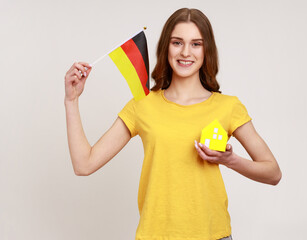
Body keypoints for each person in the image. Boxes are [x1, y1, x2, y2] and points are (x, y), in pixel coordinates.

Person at [64, 8, 281, 240]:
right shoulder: (143, 105)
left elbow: (273, 173)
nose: (186, 52)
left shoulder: (228, 106)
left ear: (207, 49)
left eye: (196, 44)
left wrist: (230, 160)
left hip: (213, 235)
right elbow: (84, 165)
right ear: (166, 47)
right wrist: (71, 100)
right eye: (177, 42)